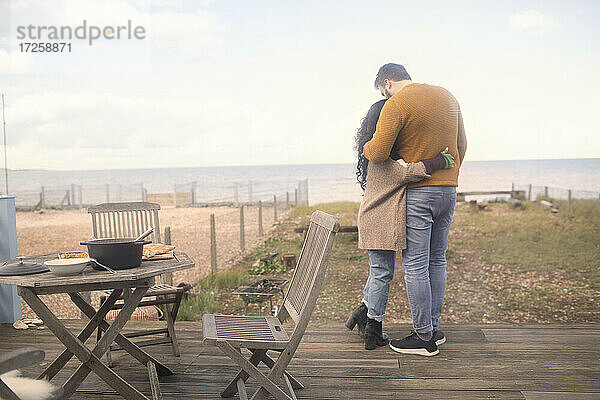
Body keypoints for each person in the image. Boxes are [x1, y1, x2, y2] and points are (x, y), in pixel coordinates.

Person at [362, 63, 467, 356]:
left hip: (419, 193)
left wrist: (366, 146)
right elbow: (462, 145)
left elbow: (379, 152)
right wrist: (448, 176)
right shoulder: (447, 96)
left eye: (382, 90)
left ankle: (423, 337)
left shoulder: (398, 103)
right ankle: (433, 328)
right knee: (438, 260)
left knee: (416, 265)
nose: (384, 95)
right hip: (449, 189)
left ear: (386, 82)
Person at [346, 99, 454, 350]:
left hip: (381, 222)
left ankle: (364, 311)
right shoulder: (379, 158)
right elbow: (408, 173)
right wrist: (440, 161)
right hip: (378, 223)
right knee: (382, 273)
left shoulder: (385, 157)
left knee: (379, 271)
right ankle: (373, 327)